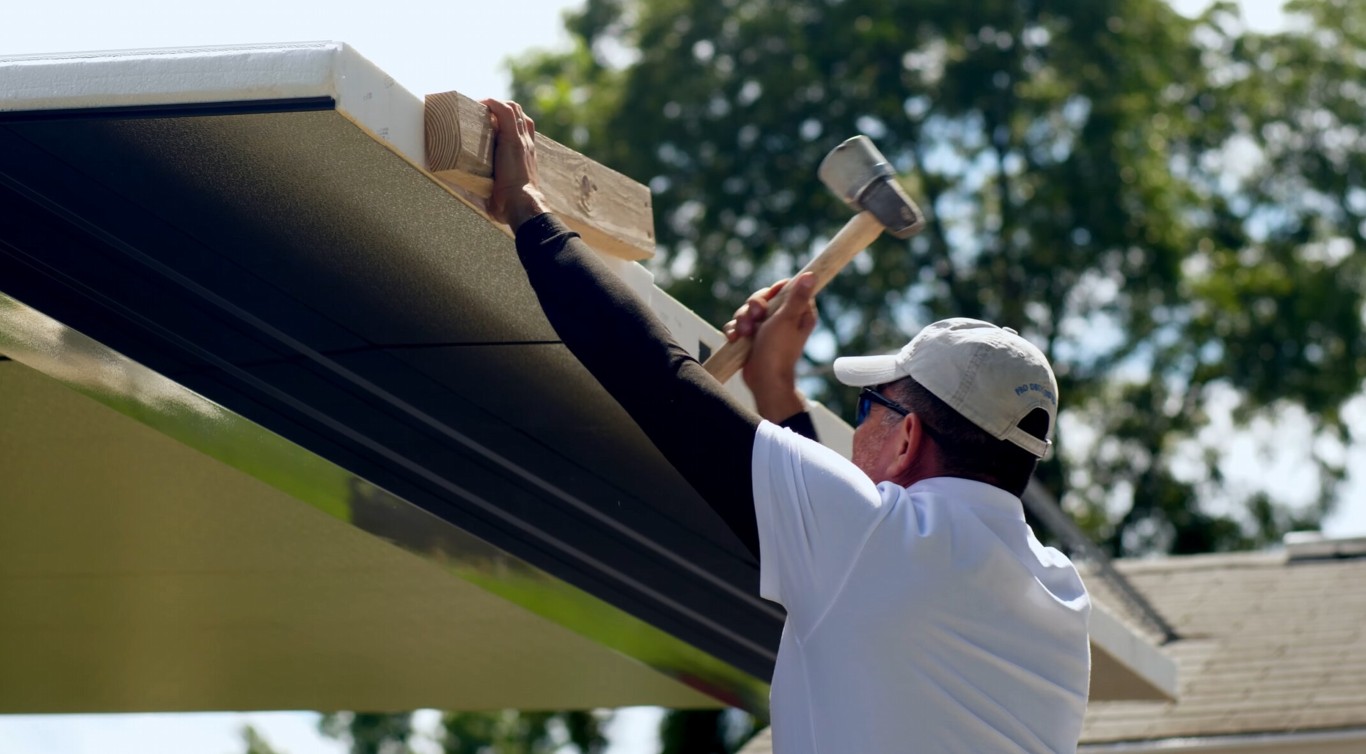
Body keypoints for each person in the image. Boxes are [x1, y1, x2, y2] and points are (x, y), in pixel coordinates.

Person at [481, 99, 1091, 754]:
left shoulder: (882, 544)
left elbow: (656, 377)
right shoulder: (1060, 593)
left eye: (869, 408)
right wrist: (773, 389)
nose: (856, 429)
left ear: (909, 437)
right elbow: (846, 555)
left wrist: (527, 207)